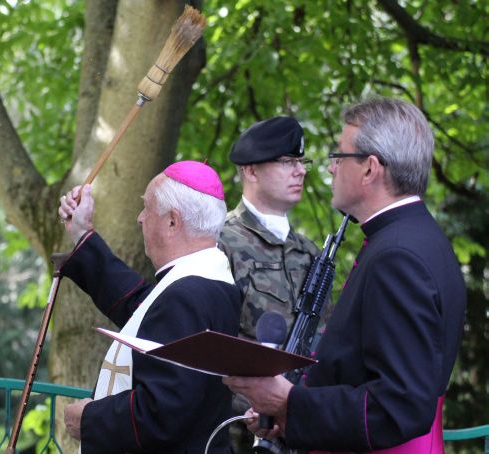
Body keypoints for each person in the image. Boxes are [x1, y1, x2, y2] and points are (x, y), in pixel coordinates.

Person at [224, 97, 467, 453]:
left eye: (339, 156)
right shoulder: (412, 239)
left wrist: (289, 402)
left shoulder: (398, 257)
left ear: (370, 169)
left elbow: (397, 406)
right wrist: (291, 414)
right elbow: (356, 370)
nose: (329, 169)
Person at [58, 161, 241, 454]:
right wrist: (82, 234)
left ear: (172, 221)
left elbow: (163, 411)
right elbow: (142, 309)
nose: (140, 218)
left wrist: (89, 419)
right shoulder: (206, 278)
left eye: (147, 207)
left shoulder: (188, 294)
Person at [218, 116, 320, 453]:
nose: (301, 171)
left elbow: (322, 346)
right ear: (251, 171)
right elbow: (210, 348)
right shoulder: (221, 243)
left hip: (302, 431)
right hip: (239, 436)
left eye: (301, 162)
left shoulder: (311, 253)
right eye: (287, 161)